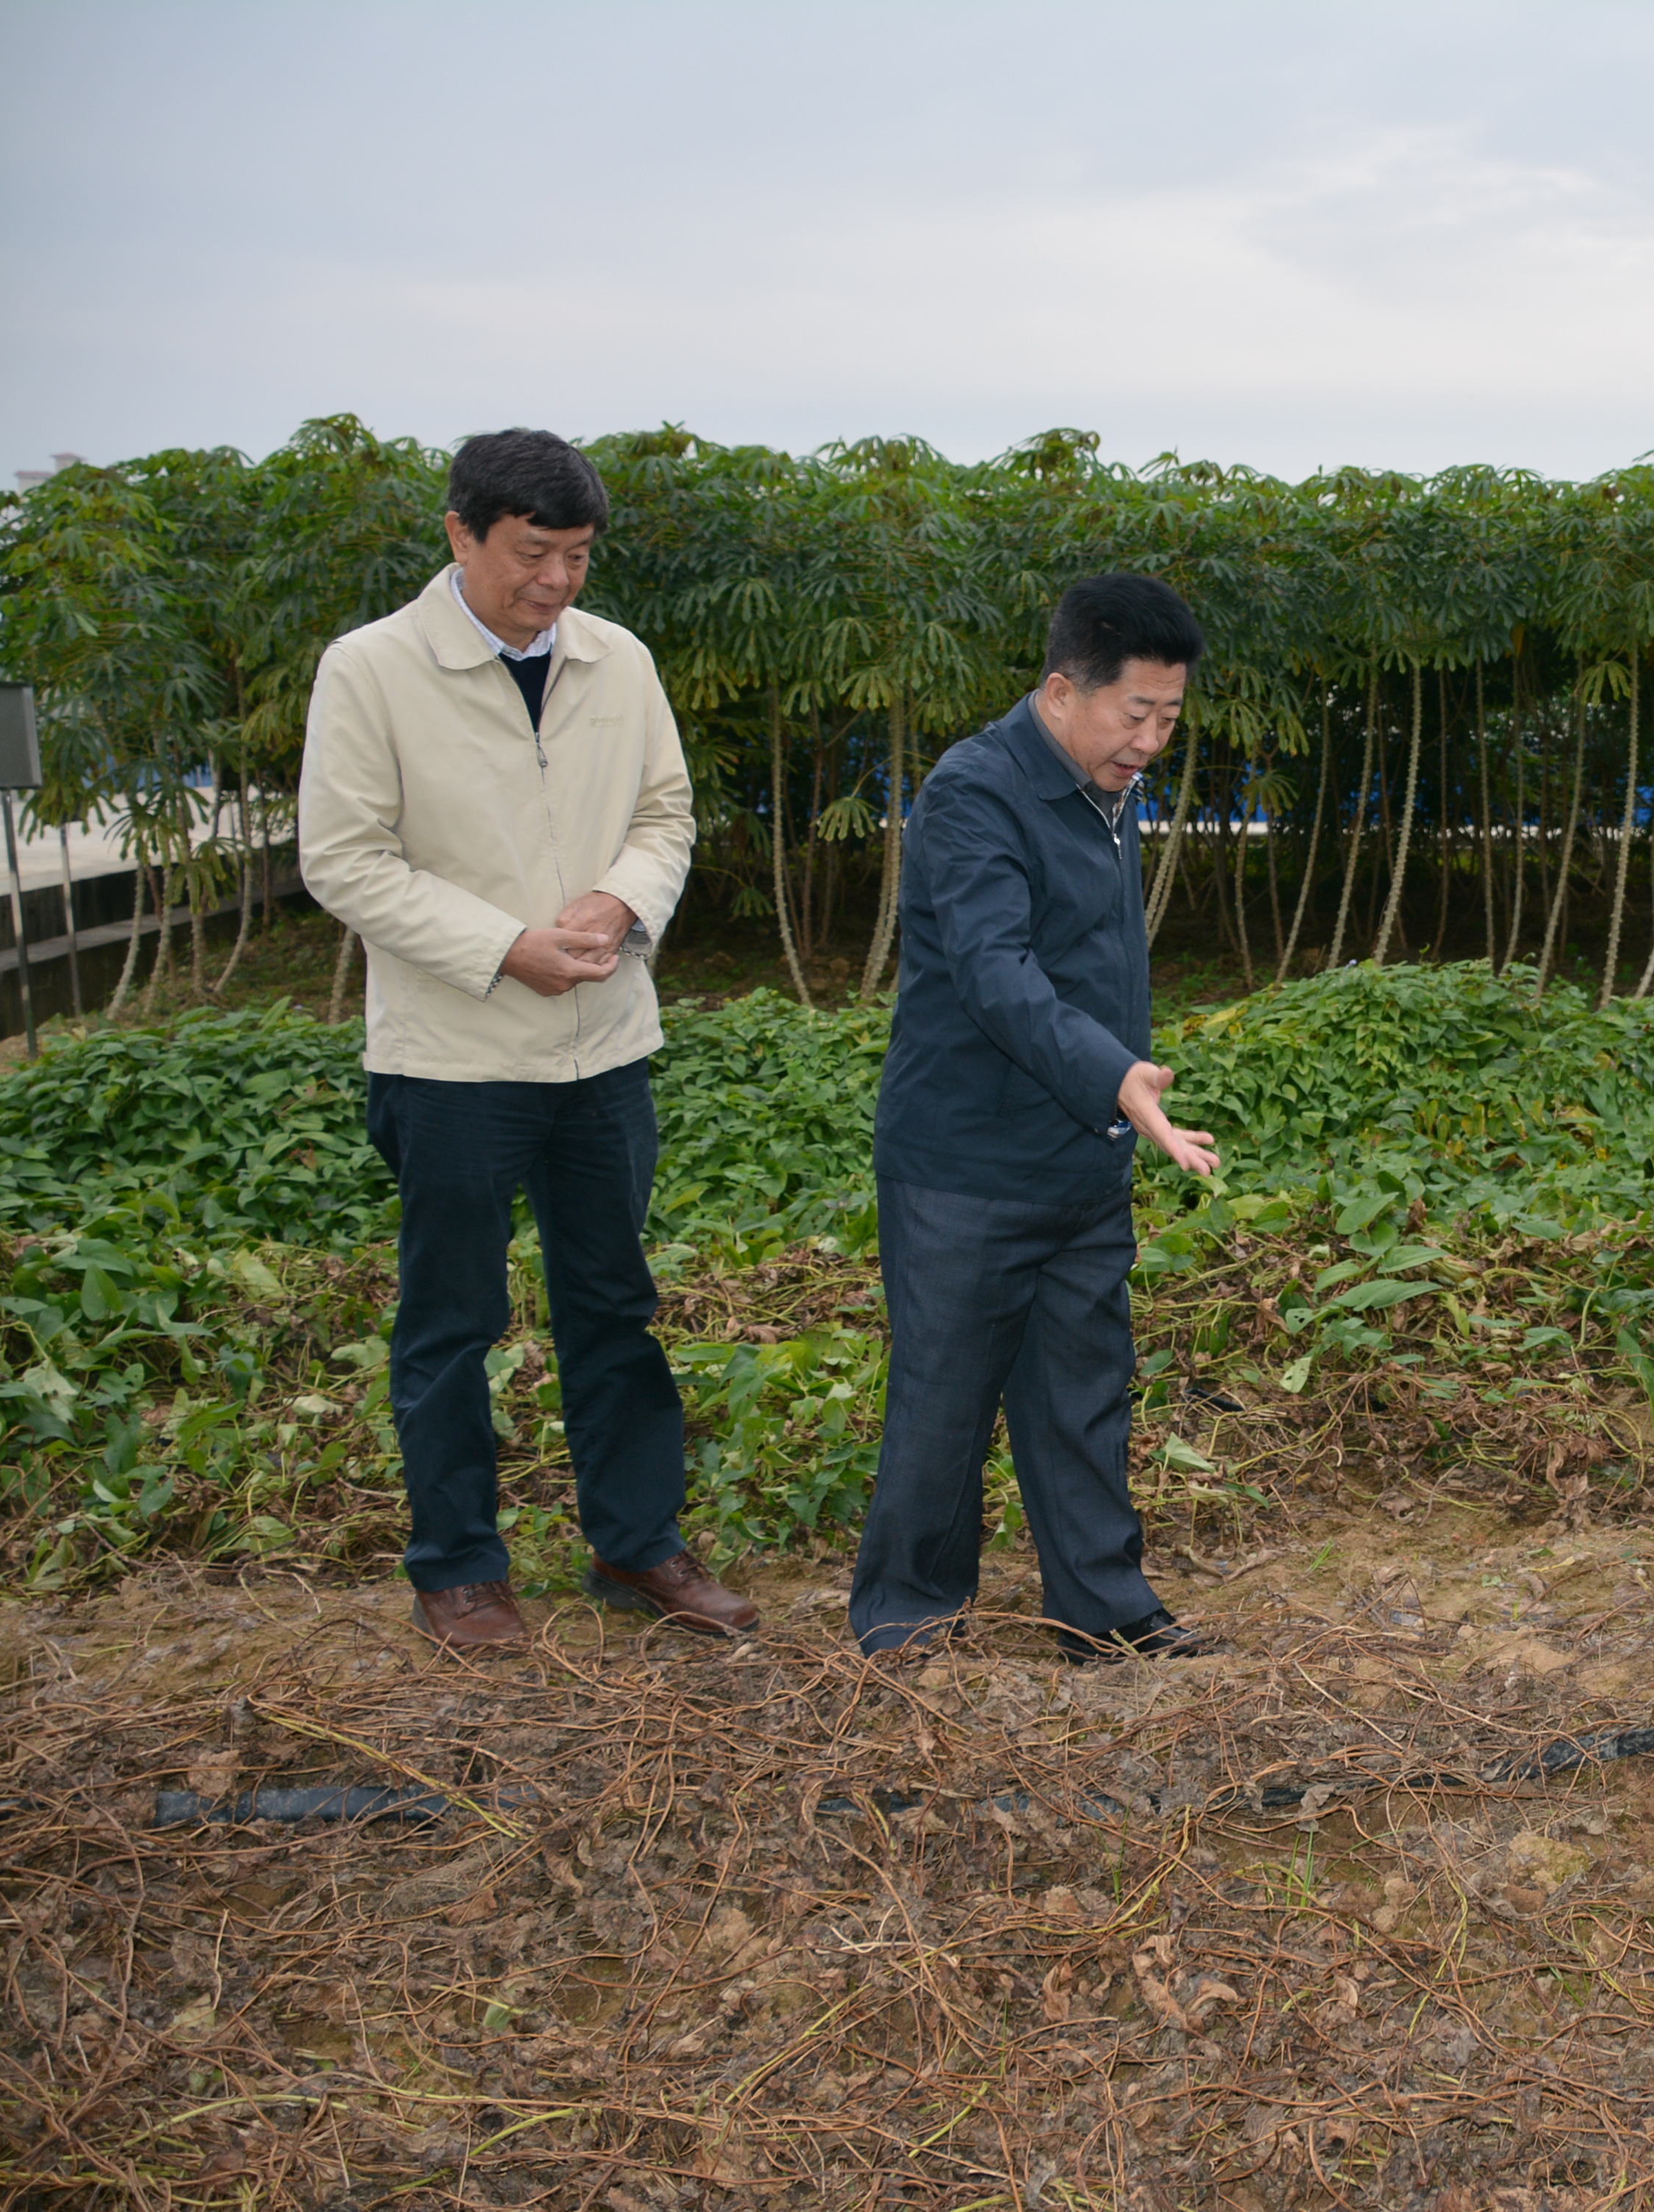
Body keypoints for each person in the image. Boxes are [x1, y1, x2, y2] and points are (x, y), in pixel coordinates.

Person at [298, 428, 744, 1655]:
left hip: (604, 1050)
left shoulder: (619, 660)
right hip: (452, 1060)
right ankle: (458, 1569)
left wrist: (619, 901)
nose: (555, 582)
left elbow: (665, 813)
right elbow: (343, 858)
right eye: (531, 554)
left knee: (614, 1306)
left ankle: (636, 1543)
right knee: (451, 1321)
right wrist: (503, 946)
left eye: (577, 557)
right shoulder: (374, 669)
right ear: (461, 533)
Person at [850, 572, 1224, 1663]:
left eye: (1169, 717)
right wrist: (1116, 1076)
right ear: (1063, 691)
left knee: (1082, 1394)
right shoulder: (976, 792)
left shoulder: (1106, 791)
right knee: (944, 1401)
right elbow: (996, 971)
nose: (1150, 741)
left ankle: (1101, 1610)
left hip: (1081, 1158)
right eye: (1135, 713)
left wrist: (1112, 1094)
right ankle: (909, 1622)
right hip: (965, 1164)